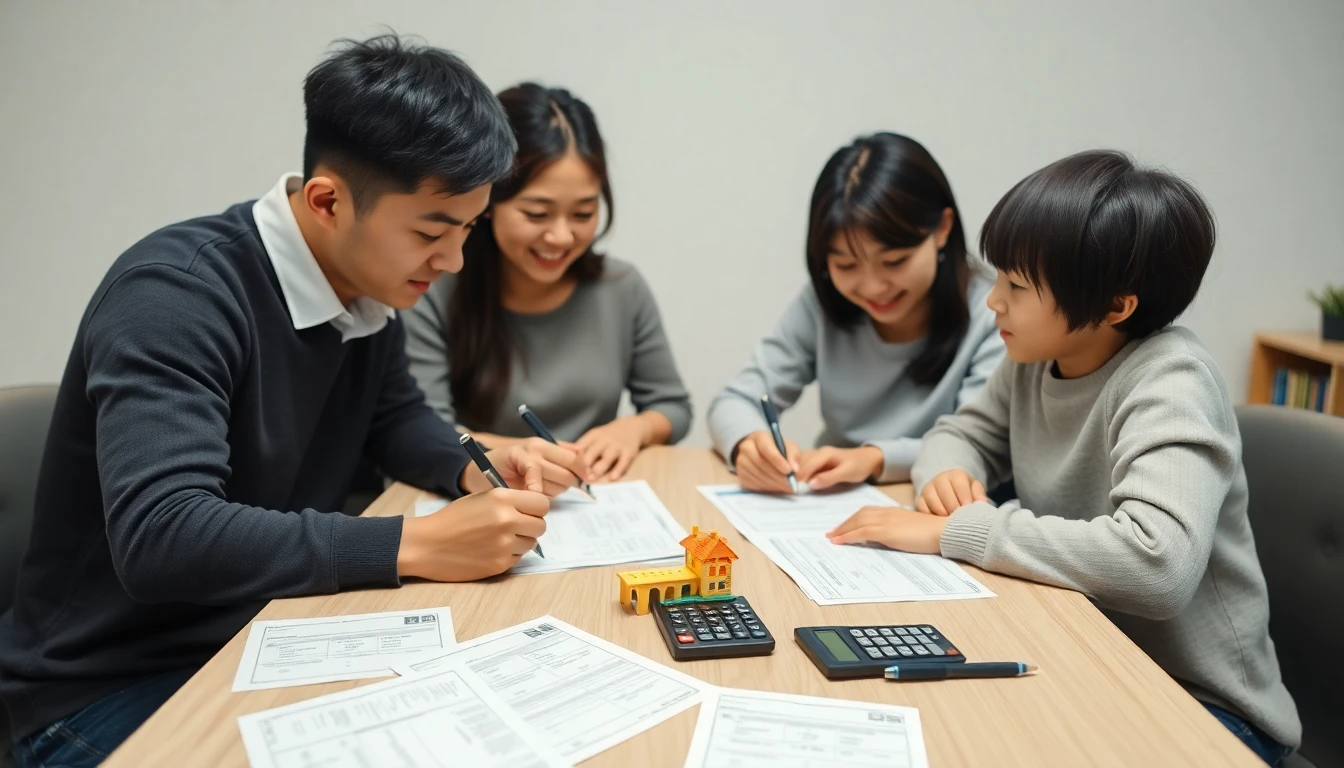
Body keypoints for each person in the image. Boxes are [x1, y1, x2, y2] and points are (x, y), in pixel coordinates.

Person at [0, 35, 588, 768]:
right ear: (327, 200)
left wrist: (481, 463)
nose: (453, 260)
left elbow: (392, 416)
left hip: (265, 634)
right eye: (432, 231)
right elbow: (163, 535)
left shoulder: (366, 292)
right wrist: (418, 544)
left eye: (467, 229)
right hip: (107, 688)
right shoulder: (175, 296)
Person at [827, 150, 1300, 765]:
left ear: (1115, 306)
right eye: (1000, 277)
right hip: (1092, 655)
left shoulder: (1170, 383)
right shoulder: (1035, 359)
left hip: (1208, 710)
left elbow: (1157, 565)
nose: (993, 302)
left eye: (1017, 287)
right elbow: (960, 432)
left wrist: (960, 530)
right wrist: (948, 472)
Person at [404, 83, 692, 483]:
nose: (560, 237)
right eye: (537, 214)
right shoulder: (435, 287)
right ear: (487, 203)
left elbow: (672, 405)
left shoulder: (621, 287)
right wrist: (515, 454)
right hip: (482, 494)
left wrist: (632, 429)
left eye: (583, 213)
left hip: (595, 499)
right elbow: (420, 428)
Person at [707, 132, 1005, 492]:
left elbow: (978, 444)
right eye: (846, 265)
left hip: (931, 508)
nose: (873, 287)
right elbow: (735, 400)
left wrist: (872, 458)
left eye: (894, 261)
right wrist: (748, 444)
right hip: (831, 501)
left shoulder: (994, 313)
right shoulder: (823, 303)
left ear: (942, 229)